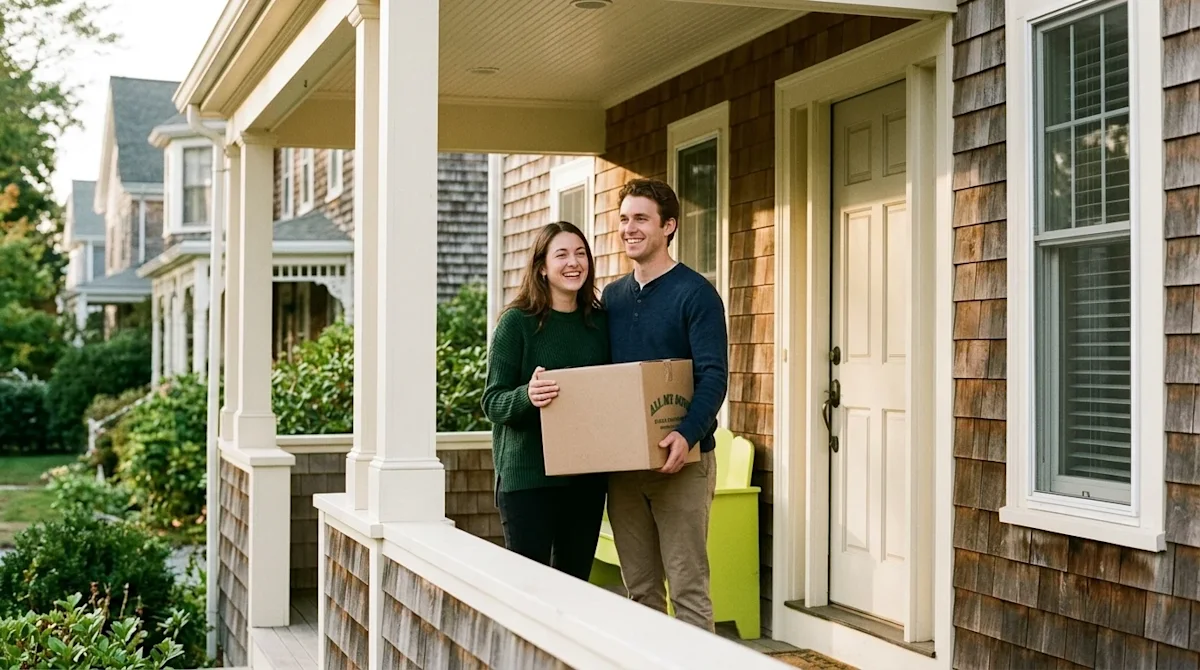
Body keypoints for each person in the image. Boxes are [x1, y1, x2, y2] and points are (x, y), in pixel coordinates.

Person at [601, 178, 729, 632]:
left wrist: (687, 433)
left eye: (641, 219)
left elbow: (713, 374)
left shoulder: (695, 294)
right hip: (624, 469)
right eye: (623, 219)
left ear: (668, 226)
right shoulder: (612, 297)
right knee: (640, 592)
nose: (629, 228)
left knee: (689, 591)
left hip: (682, 461)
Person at [481, 221, 610, 581]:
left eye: (581, 253)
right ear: (542, 266)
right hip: (528, 480)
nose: (574, 263)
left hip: (585, 479)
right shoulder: (517, 323)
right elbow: (492, 401)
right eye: (562, 254)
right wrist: (527, 395)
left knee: (574, 587)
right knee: (530, 589)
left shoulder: (599, 324)